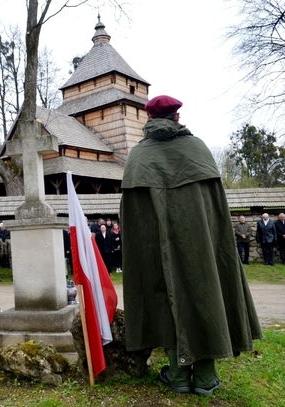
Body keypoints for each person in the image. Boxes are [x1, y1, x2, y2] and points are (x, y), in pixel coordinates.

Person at [120, 95, 261, 396]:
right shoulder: (197, 149)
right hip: (202, 247)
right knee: (205, 289)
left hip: (155, 248)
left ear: (149, 119)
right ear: (176, 117)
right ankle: (206, 377)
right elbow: (216, 212)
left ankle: (179, 375)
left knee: (163, 292)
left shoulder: (138, 158)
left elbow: (133, 219)